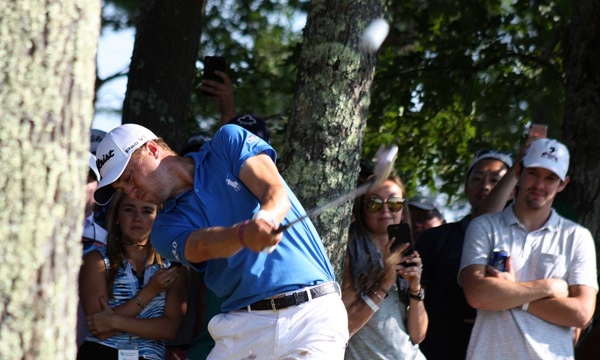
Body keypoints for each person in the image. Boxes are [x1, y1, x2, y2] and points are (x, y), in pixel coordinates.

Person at [93, 123, 348, 359]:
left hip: (311, 313)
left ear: (151, 149)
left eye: (127, 178)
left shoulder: (228, 142)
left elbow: (274, 190)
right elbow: (202, 245)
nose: (130, 192)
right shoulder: (163, 228)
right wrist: (242, 235)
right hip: (242, 326)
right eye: (121, 190)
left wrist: (266, 218)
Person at [459, 138, 598, 359]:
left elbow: (581, 313)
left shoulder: (578, 237)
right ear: (519, 172)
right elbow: (477, 294)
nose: (539, 185)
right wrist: (549, 287)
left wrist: (512, 293)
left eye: (550, 177)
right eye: (533, 173)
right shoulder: (484, 226)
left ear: (563, 183)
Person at [414, 150, 513, 360]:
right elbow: (414, 296)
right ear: (467, 187)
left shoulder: (515, 243)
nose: (485, 186)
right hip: (436, 349)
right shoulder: (436, 238)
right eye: (477, 178)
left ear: (512, 190)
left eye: (495, 180)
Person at [78, 191, 187, 360]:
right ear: (116, 216)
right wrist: (151, 290)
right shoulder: (97, 260)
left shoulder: (172, 265)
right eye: (129, 209)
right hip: (100, 353)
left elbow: (169, 329)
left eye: (147, 211)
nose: (137, 217)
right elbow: (99, 329)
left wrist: (113, 321)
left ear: (158, 217)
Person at [342, 174, 427, 359]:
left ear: (403, 211)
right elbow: (346, 326)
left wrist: (415, 288)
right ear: (362, 209)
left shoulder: (407, 252)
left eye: (394, 203)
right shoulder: (350, 250)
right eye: (374, 203)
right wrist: (385, 281)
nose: (385, 210)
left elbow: (418, 335)